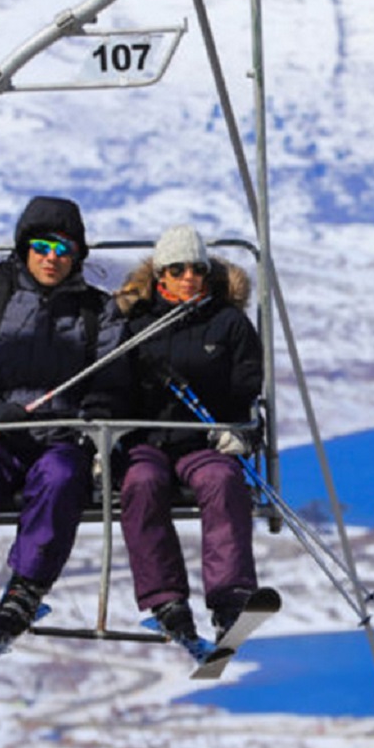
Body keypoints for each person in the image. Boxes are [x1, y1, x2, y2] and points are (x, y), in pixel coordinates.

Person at [0, 195, 125, 667]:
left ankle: (26, 588)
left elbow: (113, 381)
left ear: (78, 255)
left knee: (59, 481)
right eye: (42, 246)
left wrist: (85, 421)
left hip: (60, 435)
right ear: (24, 248)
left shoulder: (97, 311)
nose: (52, 258)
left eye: (63, 249)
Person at [115, 224, 271, 646]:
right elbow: (111, 387)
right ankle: (166, 600)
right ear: (160, 274)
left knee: (221, 481)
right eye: (178, 268)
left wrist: (241, 430)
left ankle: (229, 598)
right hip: (146, 440)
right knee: (142, 484)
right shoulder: (136, 327)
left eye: (197, 269)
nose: (189, 277)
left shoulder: (227, 324)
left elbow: (246, 385)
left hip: (202, 440)